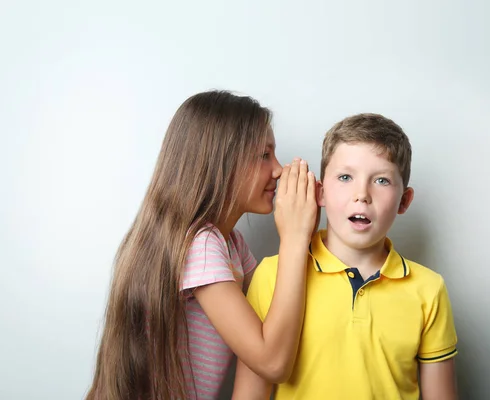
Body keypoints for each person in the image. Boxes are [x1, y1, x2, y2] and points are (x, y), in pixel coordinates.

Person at [86, 90, 317, 400]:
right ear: (219, 163)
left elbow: (274, 306)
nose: (277, 169)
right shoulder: (201, 245)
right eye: (264, 155)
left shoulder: (229, 244)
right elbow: (271, 361)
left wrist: (312, 228)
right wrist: (294, 237)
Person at [233, 113, 458, 400]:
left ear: (404, 200)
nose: (361, 194)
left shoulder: (429, 289)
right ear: (320, 193)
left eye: (381, 180)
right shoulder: (271, 275)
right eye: (345, 177)